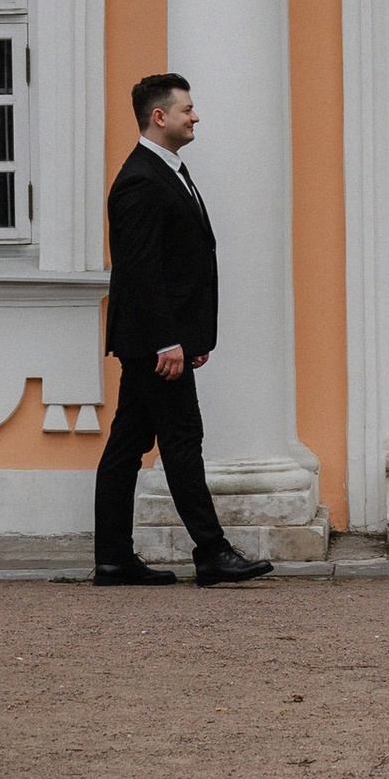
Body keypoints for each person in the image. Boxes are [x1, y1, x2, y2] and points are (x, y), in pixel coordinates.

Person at [93, 72, 272, 591]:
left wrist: (187, 337)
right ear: (159, 116)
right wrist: (167, 342)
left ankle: (112, 559)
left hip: (158, 341)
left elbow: (178, 263)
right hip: (152, 345)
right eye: (187, 108)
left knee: (128, 446)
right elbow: (141, 271)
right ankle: (211, 552)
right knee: (182, 439)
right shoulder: (140, 180)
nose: (195, 116)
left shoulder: (166, 171)